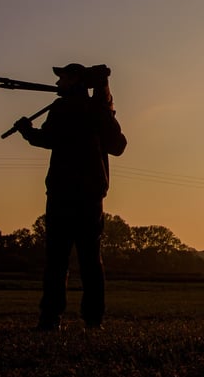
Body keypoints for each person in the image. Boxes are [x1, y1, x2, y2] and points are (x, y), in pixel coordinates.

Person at [14, 63, 127, 331]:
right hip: (90, 195)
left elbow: (48, 139)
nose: (57, 83)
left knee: (57, 260)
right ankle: (93, 320)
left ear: (74, 79)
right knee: (91, 261)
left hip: (63, 193)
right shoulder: (97, 109)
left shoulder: (63, 108)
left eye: (62, 77)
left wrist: (26, 130)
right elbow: (118, 146)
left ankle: (50, 319)